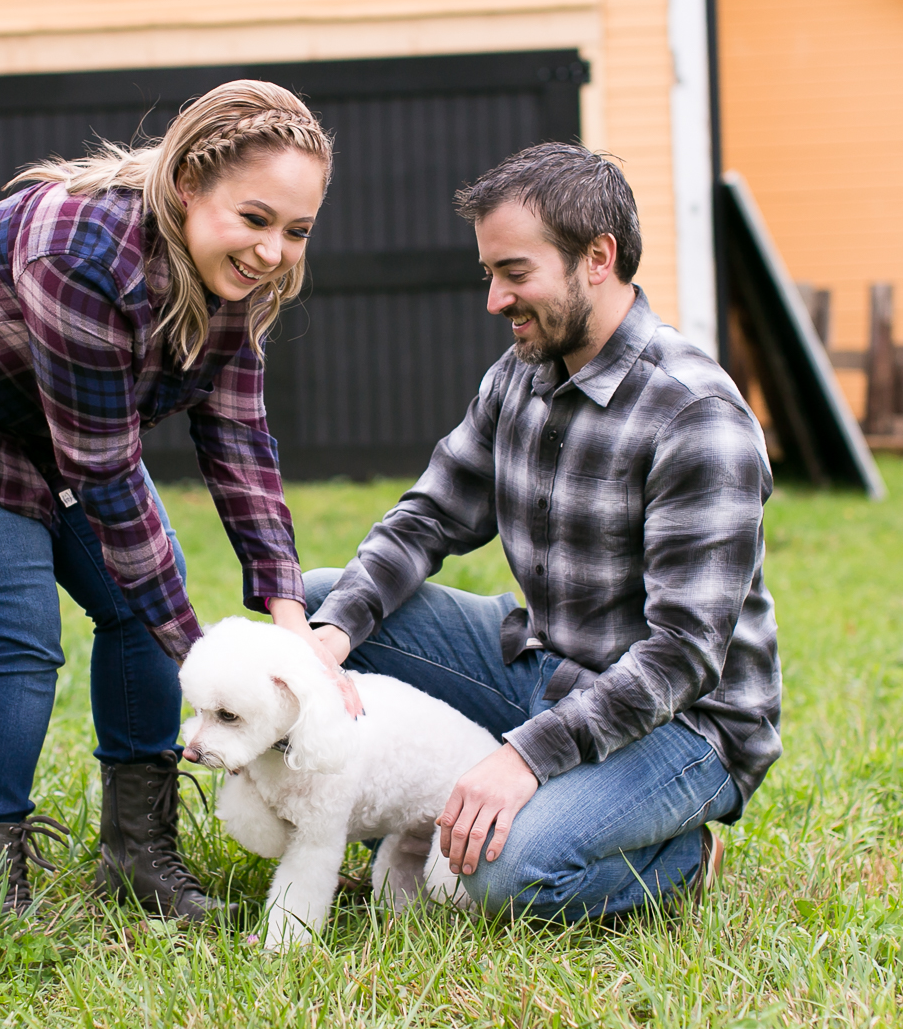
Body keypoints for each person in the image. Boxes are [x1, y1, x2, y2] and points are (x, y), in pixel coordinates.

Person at [0, 80, 354, 921]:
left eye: (296, 230)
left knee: (134, 604)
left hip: (44, 415)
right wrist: (209, 670)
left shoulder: (235, 284)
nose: (273, 250)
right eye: (254, 218)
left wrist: (288, 623)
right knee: (17, 632)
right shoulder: (84, 254)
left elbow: (239, 441)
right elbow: (102, 473)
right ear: (187, 187)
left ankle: (139, 855)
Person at [305, 141, 782, 922]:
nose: (494, 299)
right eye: (489, 273)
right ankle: (471, 794)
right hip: (543, 665)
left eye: (514, 273)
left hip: (682, 721)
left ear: (599, 257)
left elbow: (684, 656)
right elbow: (429, 516)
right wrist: (328, 639)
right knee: (326, 603)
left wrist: (525, 756)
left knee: (498, 881)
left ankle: (681, 855)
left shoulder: (697, 417)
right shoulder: (519, 376)